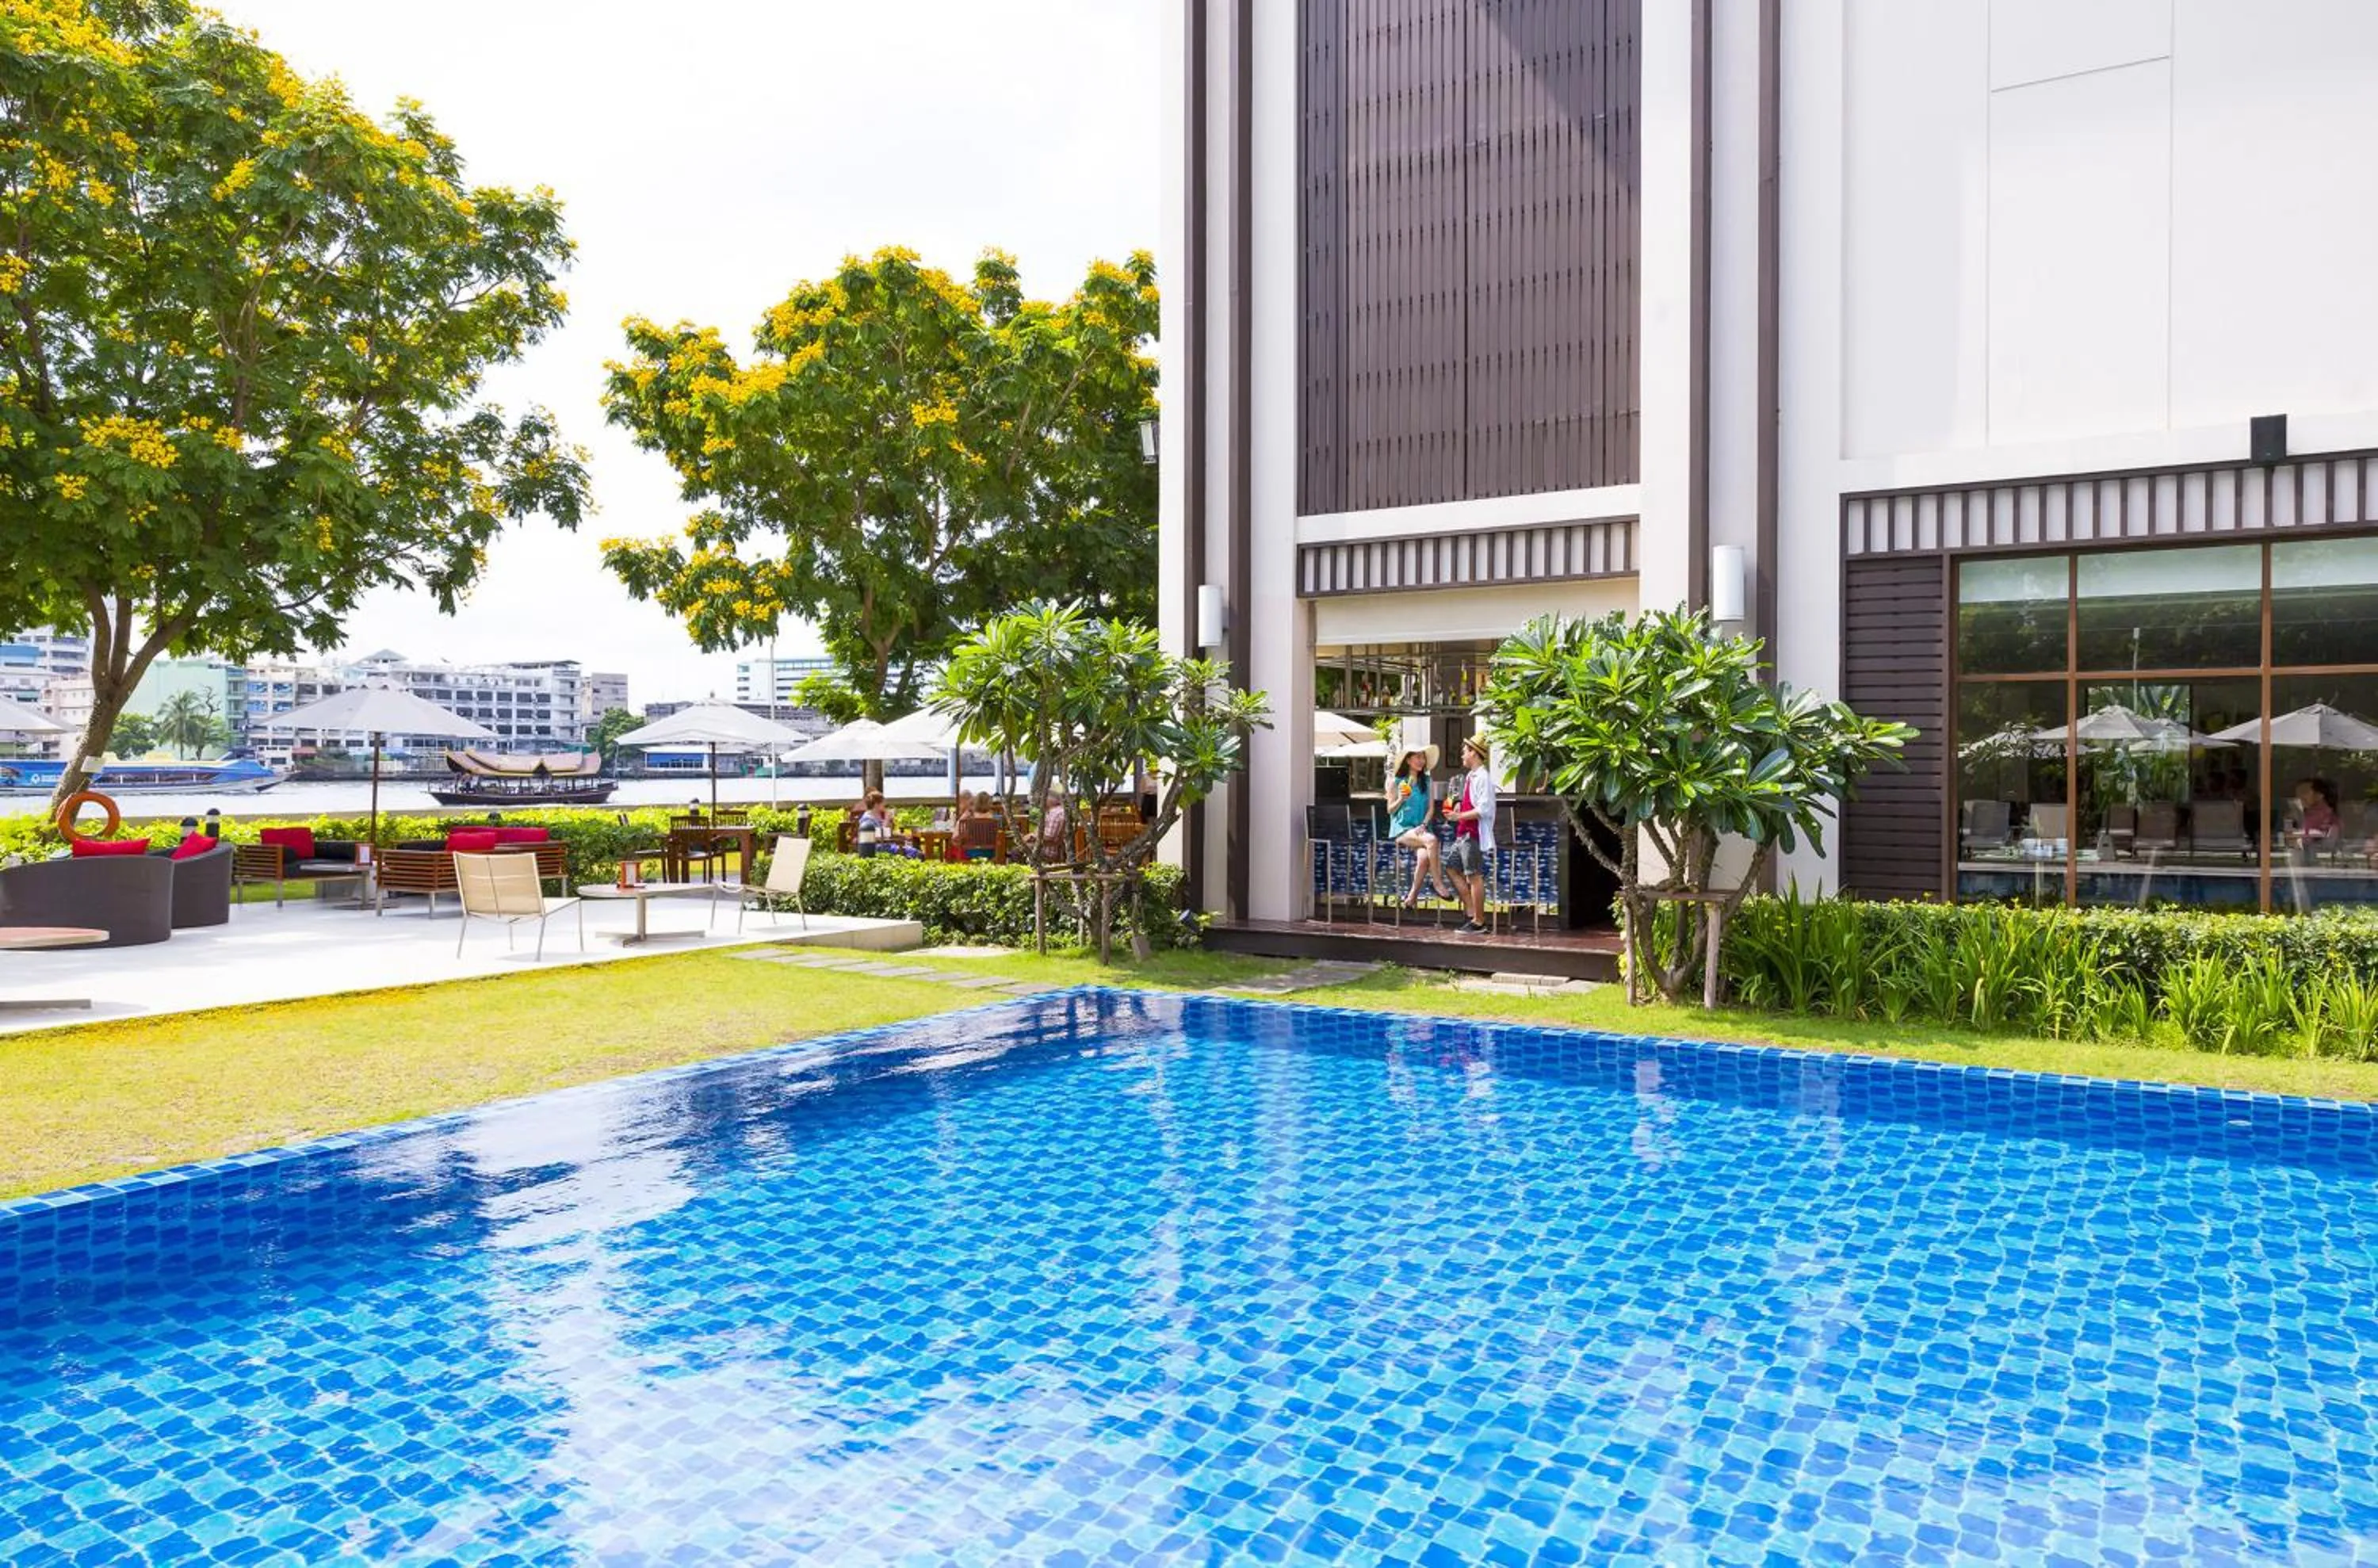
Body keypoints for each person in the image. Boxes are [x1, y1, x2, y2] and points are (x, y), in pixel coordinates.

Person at [1386, 744, 1455, 907]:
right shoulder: (1397, 782)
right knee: (1432, 840)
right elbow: (1390, 810)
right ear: (1408, 760)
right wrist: (1401, 799)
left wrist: (1424, 825)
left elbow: (1431, 809)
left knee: (1424, 858)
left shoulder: (1427, 781)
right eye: (1418, 757)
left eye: (1423, 757)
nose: (1421, 761)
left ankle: (1411, 898)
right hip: (1402, 829)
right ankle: (1437, 883)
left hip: (1421, 829)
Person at [1444, 735, 1498, 935]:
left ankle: (1479, 922)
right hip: (1463, 832)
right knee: (1451, 868)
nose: (1462, 755)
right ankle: (1471, 910)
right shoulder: (1470, 776)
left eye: (1464, 752)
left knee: (1474, 876)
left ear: (1474, 753)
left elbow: (1484, 809)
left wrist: (1459, 815)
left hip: (1472, 833)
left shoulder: (1483, 777)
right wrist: (1460, 808)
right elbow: (1472, 803)